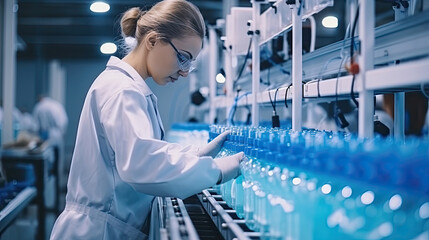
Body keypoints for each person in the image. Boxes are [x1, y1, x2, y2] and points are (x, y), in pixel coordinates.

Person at [50, 1, 244, 239]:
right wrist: (214, 171)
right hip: (98, 231)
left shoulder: (129, 87)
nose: (184, 71)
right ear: (152, 41)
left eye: (190, 64)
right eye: (183, 58)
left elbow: (145, 150)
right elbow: (141, 166)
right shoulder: (122, 90)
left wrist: (196, 155)